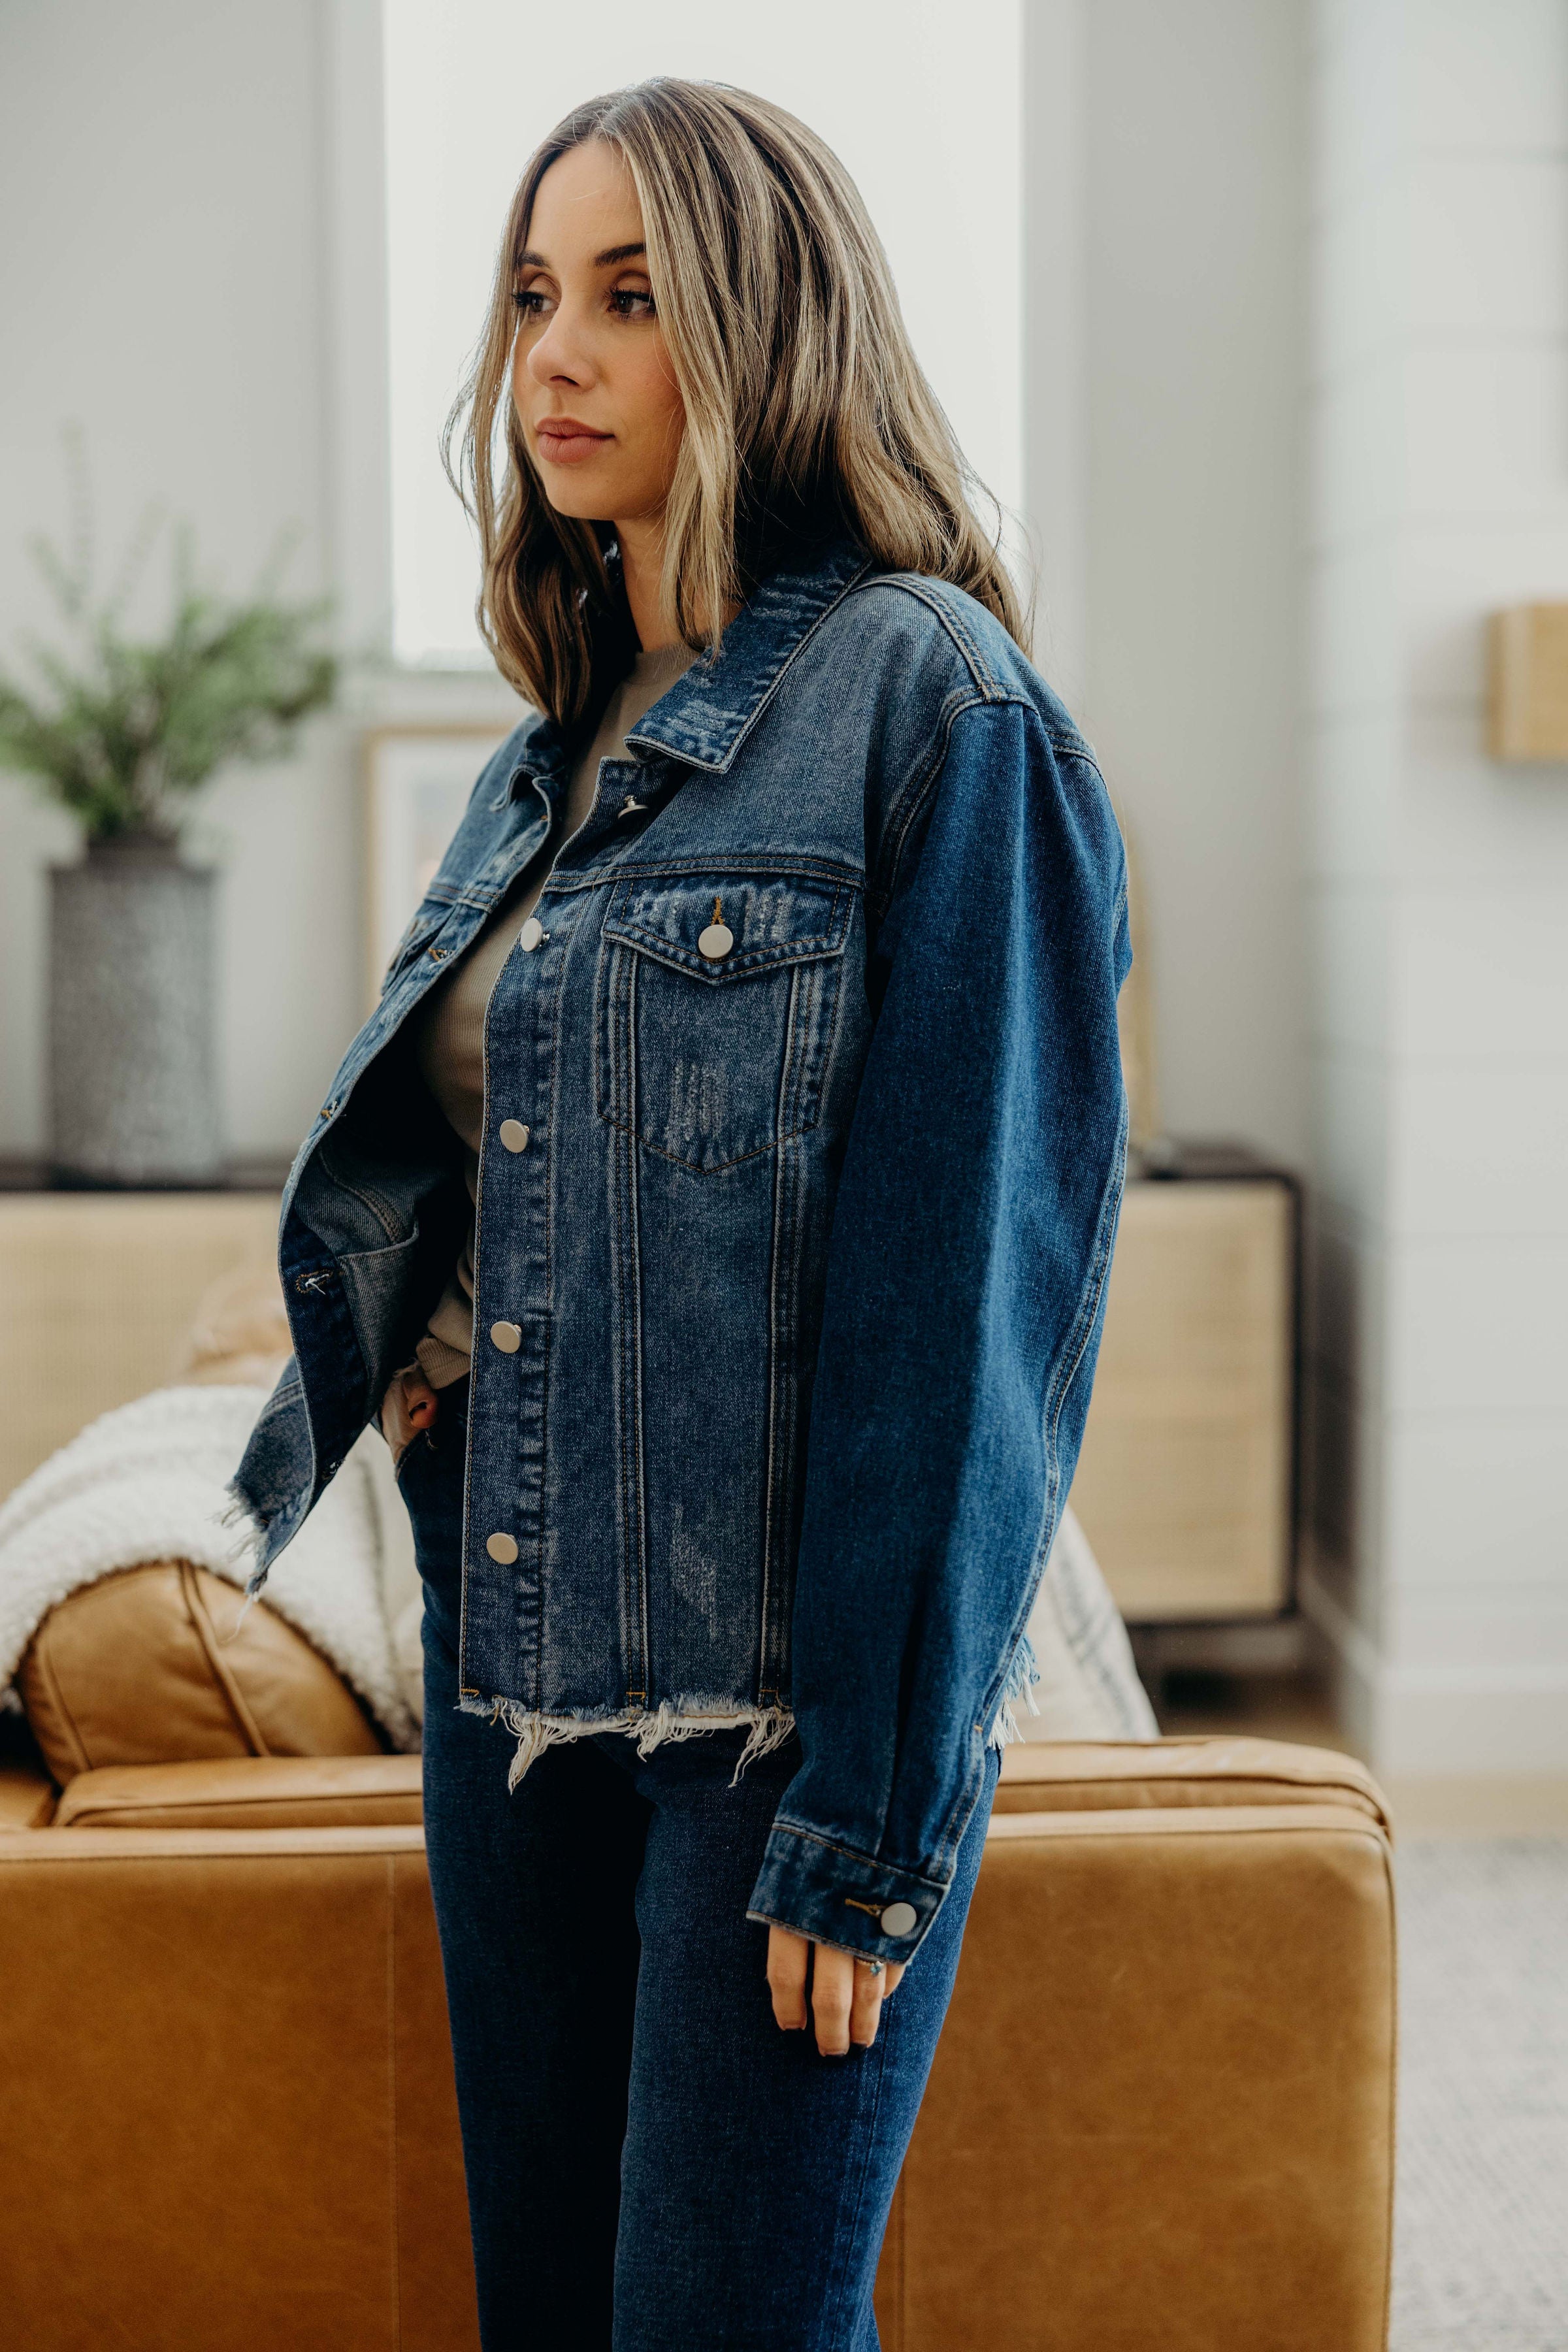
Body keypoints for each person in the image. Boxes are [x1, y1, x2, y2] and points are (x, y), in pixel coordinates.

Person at [232, 78, 1130, 2352]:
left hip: (767, 1735)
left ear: (764, 325)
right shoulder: (554, 732)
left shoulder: (938, 707)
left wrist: (867, 1821)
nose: (554, 355)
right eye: (535, 294)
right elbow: (499, 1157)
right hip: (511, 1688)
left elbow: (967, 1323)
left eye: (628, 299)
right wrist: (425, 1397)